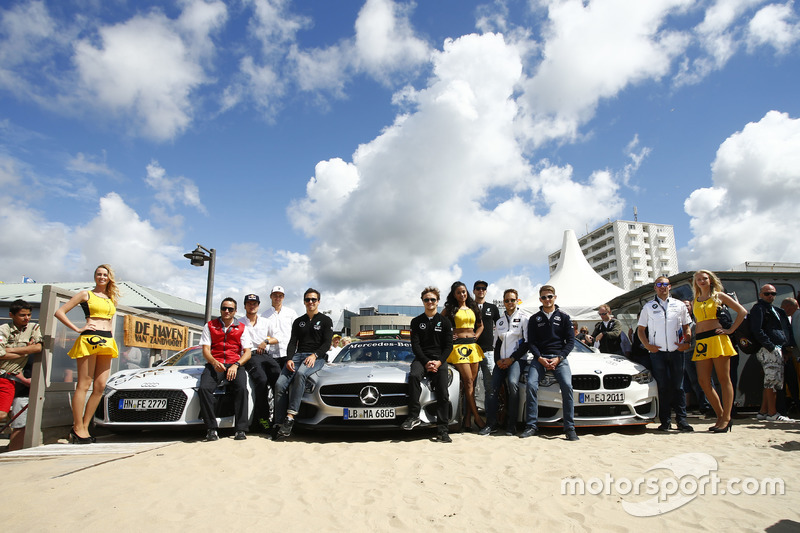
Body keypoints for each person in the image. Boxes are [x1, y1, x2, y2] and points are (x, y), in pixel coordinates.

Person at [54, 264, 120, 444]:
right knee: (84, 383)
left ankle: (85, 425)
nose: (102, 277)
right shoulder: (86, 294)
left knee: (100, 386)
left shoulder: (110, 298)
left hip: (107, 340)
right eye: (99, 274)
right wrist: (77, 329)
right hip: (90, 337)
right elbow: (59, 312)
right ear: (94, 277)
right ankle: (77, 427)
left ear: (109, 277)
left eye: (105, 274)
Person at [517, 285, 578, 441]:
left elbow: (571, 341)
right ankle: (531, 425)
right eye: (544, 297)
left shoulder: (564, 317)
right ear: (540, 299)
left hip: (560, 358)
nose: (547, 299)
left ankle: (569, 427)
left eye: (550, 296)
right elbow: (531, 343)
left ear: (555, 297)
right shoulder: (534, 319)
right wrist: (540, 358)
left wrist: (560, 358)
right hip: (540, 358)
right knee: (531, 384)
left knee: (567, 386)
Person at [691, 270, 746, 433]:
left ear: (710, 280)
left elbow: (742, 312)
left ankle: (727, 418)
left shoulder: (719, 296)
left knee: (724, 379)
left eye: (704, 278)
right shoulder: (695, 299)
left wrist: (730, 330)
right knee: (703, 381)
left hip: (717, 339)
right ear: (695, 282)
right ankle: (720, 415)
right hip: (701, 341)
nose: (701, 281)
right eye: (698, 279)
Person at [637, 276, 694, 432]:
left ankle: (682, 420)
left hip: (676, 351)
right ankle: (665, 421)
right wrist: (648, 345)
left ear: (670, 287)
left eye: (665, 285)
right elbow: (640, 330)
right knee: (663, 387)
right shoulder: (649, 307)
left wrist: (686, 342)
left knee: (679, 387)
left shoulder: (680, 305)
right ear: (655, 288)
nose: (662, 287)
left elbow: (686, 327)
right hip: (658, 353)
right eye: (659, 284)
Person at [274, 288, 333, 439]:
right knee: (280, 385)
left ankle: (290, 417)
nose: (310, 302)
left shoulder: (326, 320)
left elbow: (327, 343)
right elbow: (293, 342)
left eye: (313, 299)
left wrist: (315, 355)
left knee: (301, 374)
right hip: (297, 356)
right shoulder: (298, 321)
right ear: (304, 301)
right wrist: (289, 358)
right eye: (307, 299)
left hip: (316, 357)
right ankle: (279, 424)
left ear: (318, 301)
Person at [402, 287, 454, 442]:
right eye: (426, 299)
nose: (430, 302)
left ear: (437, 301)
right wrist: (426, 362)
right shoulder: (416, 322)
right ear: (423, 302)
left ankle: (443, 430)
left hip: (440, 360)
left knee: (443, 393)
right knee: (413, 376)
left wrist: (438, 362)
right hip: (421, 359)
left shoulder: (445, 322)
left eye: (432, 299)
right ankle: (413, 417)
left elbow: (448, 346)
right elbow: (415, 346)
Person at [197, 297, 253, 441]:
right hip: (215, 363)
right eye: (224, 308)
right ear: (221, 309)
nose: (226, 311)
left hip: (235, 364)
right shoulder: (209, 325)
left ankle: (240, 429)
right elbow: (205, 350)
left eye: (230, 309)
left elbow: (247, 352)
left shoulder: (241, 327)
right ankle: (211, 428)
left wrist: (237, 365)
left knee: (242, 389)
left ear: (235, 311)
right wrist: (214, 362)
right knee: (204, 389)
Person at [479, 289, 528, 436]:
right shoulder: (500, 321)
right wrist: (498, 361)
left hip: (517, 360)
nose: (510, 303)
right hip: (501, 362)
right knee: (492, 388)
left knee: (512, 384)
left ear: (517, 300)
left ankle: (511, 425)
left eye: (512, 300)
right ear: (504, 302)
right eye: (507, 300)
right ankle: (491, 424)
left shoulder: (525, 318)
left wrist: (511, 359)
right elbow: (497, 344)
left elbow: (526, 343)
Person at [442, 281, 485, 430]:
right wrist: (448, 335)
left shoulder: (473, 307)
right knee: (467, 381)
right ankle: (477, 418)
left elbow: (481, 326)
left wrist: (476, 337)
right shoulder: (449, 309)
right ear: (454, 295)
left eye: (464, 291)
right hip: (458, 347)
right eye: (459, 292)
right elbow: (439, 325)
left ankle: (467, 419)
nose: (462, 294)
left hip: (472, 347)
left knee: (471, 385)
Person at [750, 284, 795, 422]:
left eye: (773, 294)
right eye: (767, 294)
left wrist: (785, 348)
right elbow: (757, 330)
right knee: (772, 381)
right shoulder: (759, 308)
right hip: (769, 349)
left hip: (778, 348)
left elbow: (784, 329)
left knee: (772, 381)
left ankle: (764, 411)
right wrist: (770, 346)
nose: (770, 296)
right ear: (760, 295)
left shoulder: (776, 310)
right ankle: (772, 413)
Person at [1, 300, 43, 442]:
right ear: (11, 315)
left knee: (3, 415)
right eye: (22, 315)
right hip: (4, 375)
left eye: (29, 315)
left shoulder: (34, 327)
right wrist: (26, 351)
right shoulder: (4, 329)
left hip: (11, 378)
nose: (27, 318)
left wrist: (11, 350)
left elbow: (38, 348)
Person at [241, 293, 278, 432]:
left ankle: (278, 419)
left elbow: (277, 337)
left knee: (279, 379)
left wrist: (266, 341)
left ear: (258, 305)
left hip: (266, 355)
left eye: (254, 303)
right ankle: (263, 418)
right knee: (261, 380)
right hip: (250, 355)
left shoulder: (266, 321)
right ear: (245, 305)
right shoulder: (239, 322)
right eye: (249, 303)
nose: (252, 306)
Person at [473, 281, 500, 408]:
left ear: (486, 291)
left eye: (483, 288)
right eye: (478, 288)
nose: (481, 290)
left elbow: (501, 327)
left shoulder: (493, 308)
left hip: (488, 351)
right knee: (469, 386)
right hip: (470, 351)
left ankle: (491, 420)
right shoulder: (467, 307)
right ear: (474, 291)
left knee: (490, 387)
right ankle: (468, 418)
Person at [262, 286, 298, 370]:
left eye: (280, 296)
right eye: (275, 295)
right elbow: (263, 334)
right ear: (271, 296)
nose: (277, 298)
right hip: (272, 355)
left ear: (283, 297)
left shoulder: (291, 313)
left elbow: (297, 331)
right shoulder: (264, 315)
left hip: (288, 354)